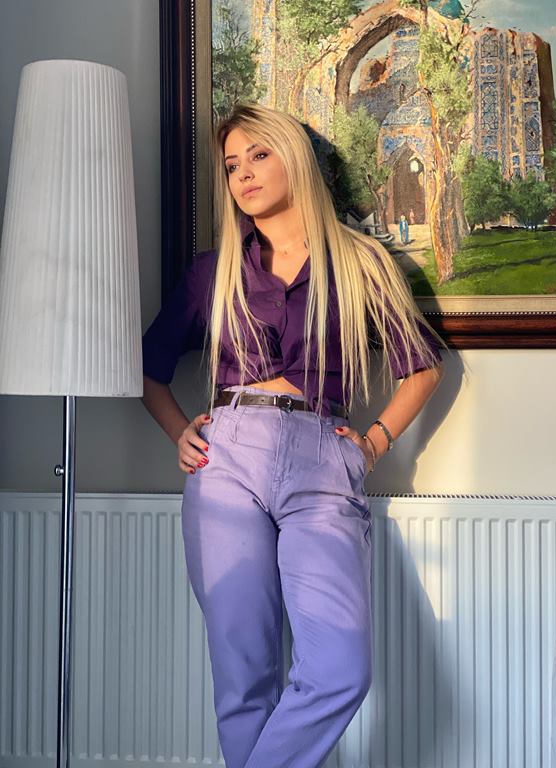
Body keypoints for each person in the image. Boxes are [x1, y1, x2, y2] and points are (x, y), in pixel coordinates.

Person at [141, 103, 445, 768]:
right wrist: (178, 431)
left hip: (323, 457)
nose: (244, 175)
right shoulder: (213, 271)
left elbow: (422, 367)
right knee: (243, 675)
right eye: (232, 166)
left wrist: (373, 442)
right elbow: (148, 367)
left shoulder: (360, 263)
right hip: (227, 458)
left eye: (258, 155)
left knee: (340, 670)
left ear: (295, 158)